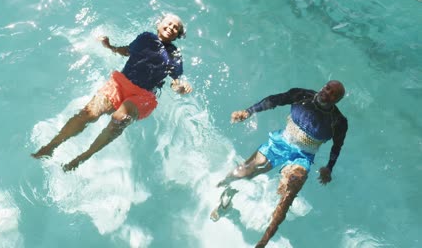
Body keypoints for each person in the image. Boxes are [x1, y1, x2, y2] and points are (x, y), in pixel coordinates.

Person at [32, 13, 192, 171]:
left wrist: (180, 88)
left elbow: (175, 82)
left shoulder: (174, 55)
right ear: (159, 24)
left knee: (119, 118)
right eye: (168, 23)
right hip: (120, 83)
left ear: (178, 35)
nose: (171, 28)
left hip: (142, 96)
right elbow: (127, 51)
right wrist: (110, 47)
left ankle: (83, 157)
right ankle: (51, 146)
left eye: (175, 28)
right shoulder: (146, 38)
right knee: (88, 114)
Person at [211, 80, 348, 248]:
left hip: (303, 156)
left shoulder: (338, 122)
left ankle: (262, 243)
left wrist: (329, 167)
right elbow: (274, 100)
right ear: (323, 86)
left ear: (337, 100)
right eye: (328, 88)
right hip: (280, 142)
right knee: (244, 171)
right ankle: (224, 190)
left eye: (334, 94)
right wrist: (248, 112)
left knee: (289, 194)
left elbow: (337, 146)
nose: (328, 93)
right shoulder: (302, 95)